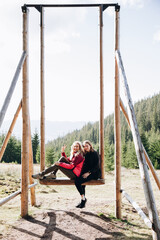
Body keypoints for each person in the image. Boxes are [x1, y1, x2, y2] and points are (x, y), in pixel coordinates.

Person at [75, 140, 101, 208]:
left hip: (94, 173)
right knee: (82, 184)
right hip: (87, 172)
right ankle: (83, 201)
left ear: (90, 145)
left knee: (77, 182)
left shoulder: (95, 153)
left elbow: (97, 166)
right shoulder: (85, 154)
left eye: (87, 146)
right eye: (84, 146)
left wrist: (88, 173)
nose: (85, 147)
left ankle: (83, 200)